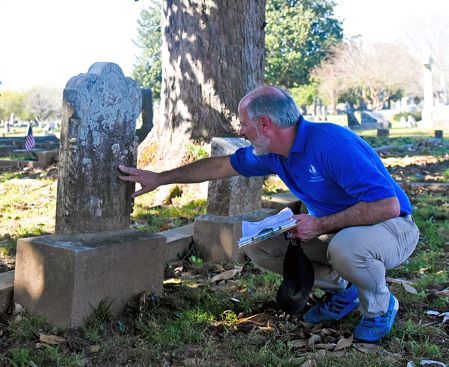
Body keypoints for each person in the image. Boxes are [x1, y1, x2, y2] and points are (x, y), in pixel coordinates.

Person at [118, 86, 419, 342]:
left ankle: (380, 305)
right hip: (339, 230)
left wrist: (319, 224)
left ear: (264, 123)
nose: (240, 131)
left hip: (391, 227)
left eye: (243, 123)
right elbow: (222, 166)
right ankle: (346, 290)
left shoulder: (332, 145)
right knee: (259, 243)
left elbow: (387, 206)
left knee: (347, 249)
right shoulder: (275, 152)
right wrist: (160, 178)